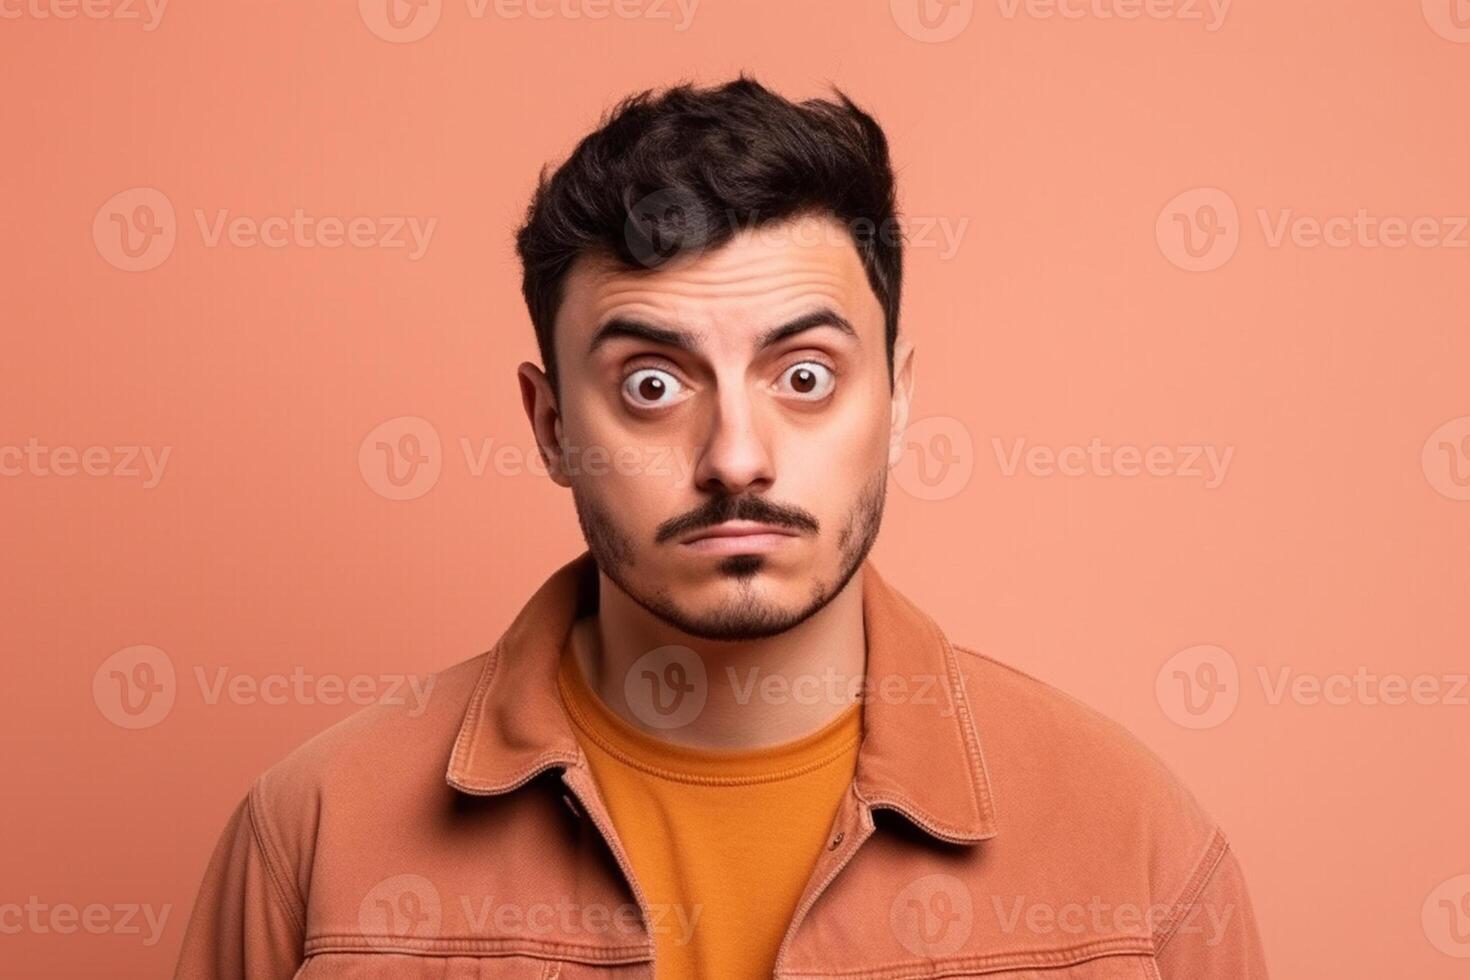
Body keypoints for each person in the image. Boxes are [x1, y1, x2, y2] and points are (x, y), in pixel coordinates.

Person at [174, 76, 1269, 979]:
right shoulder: (314, 840)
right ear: (551, 423)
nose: (735, 456)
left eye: (804, 374)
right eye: (652, 383)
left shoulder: (1135, 850)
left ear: (898, 403)